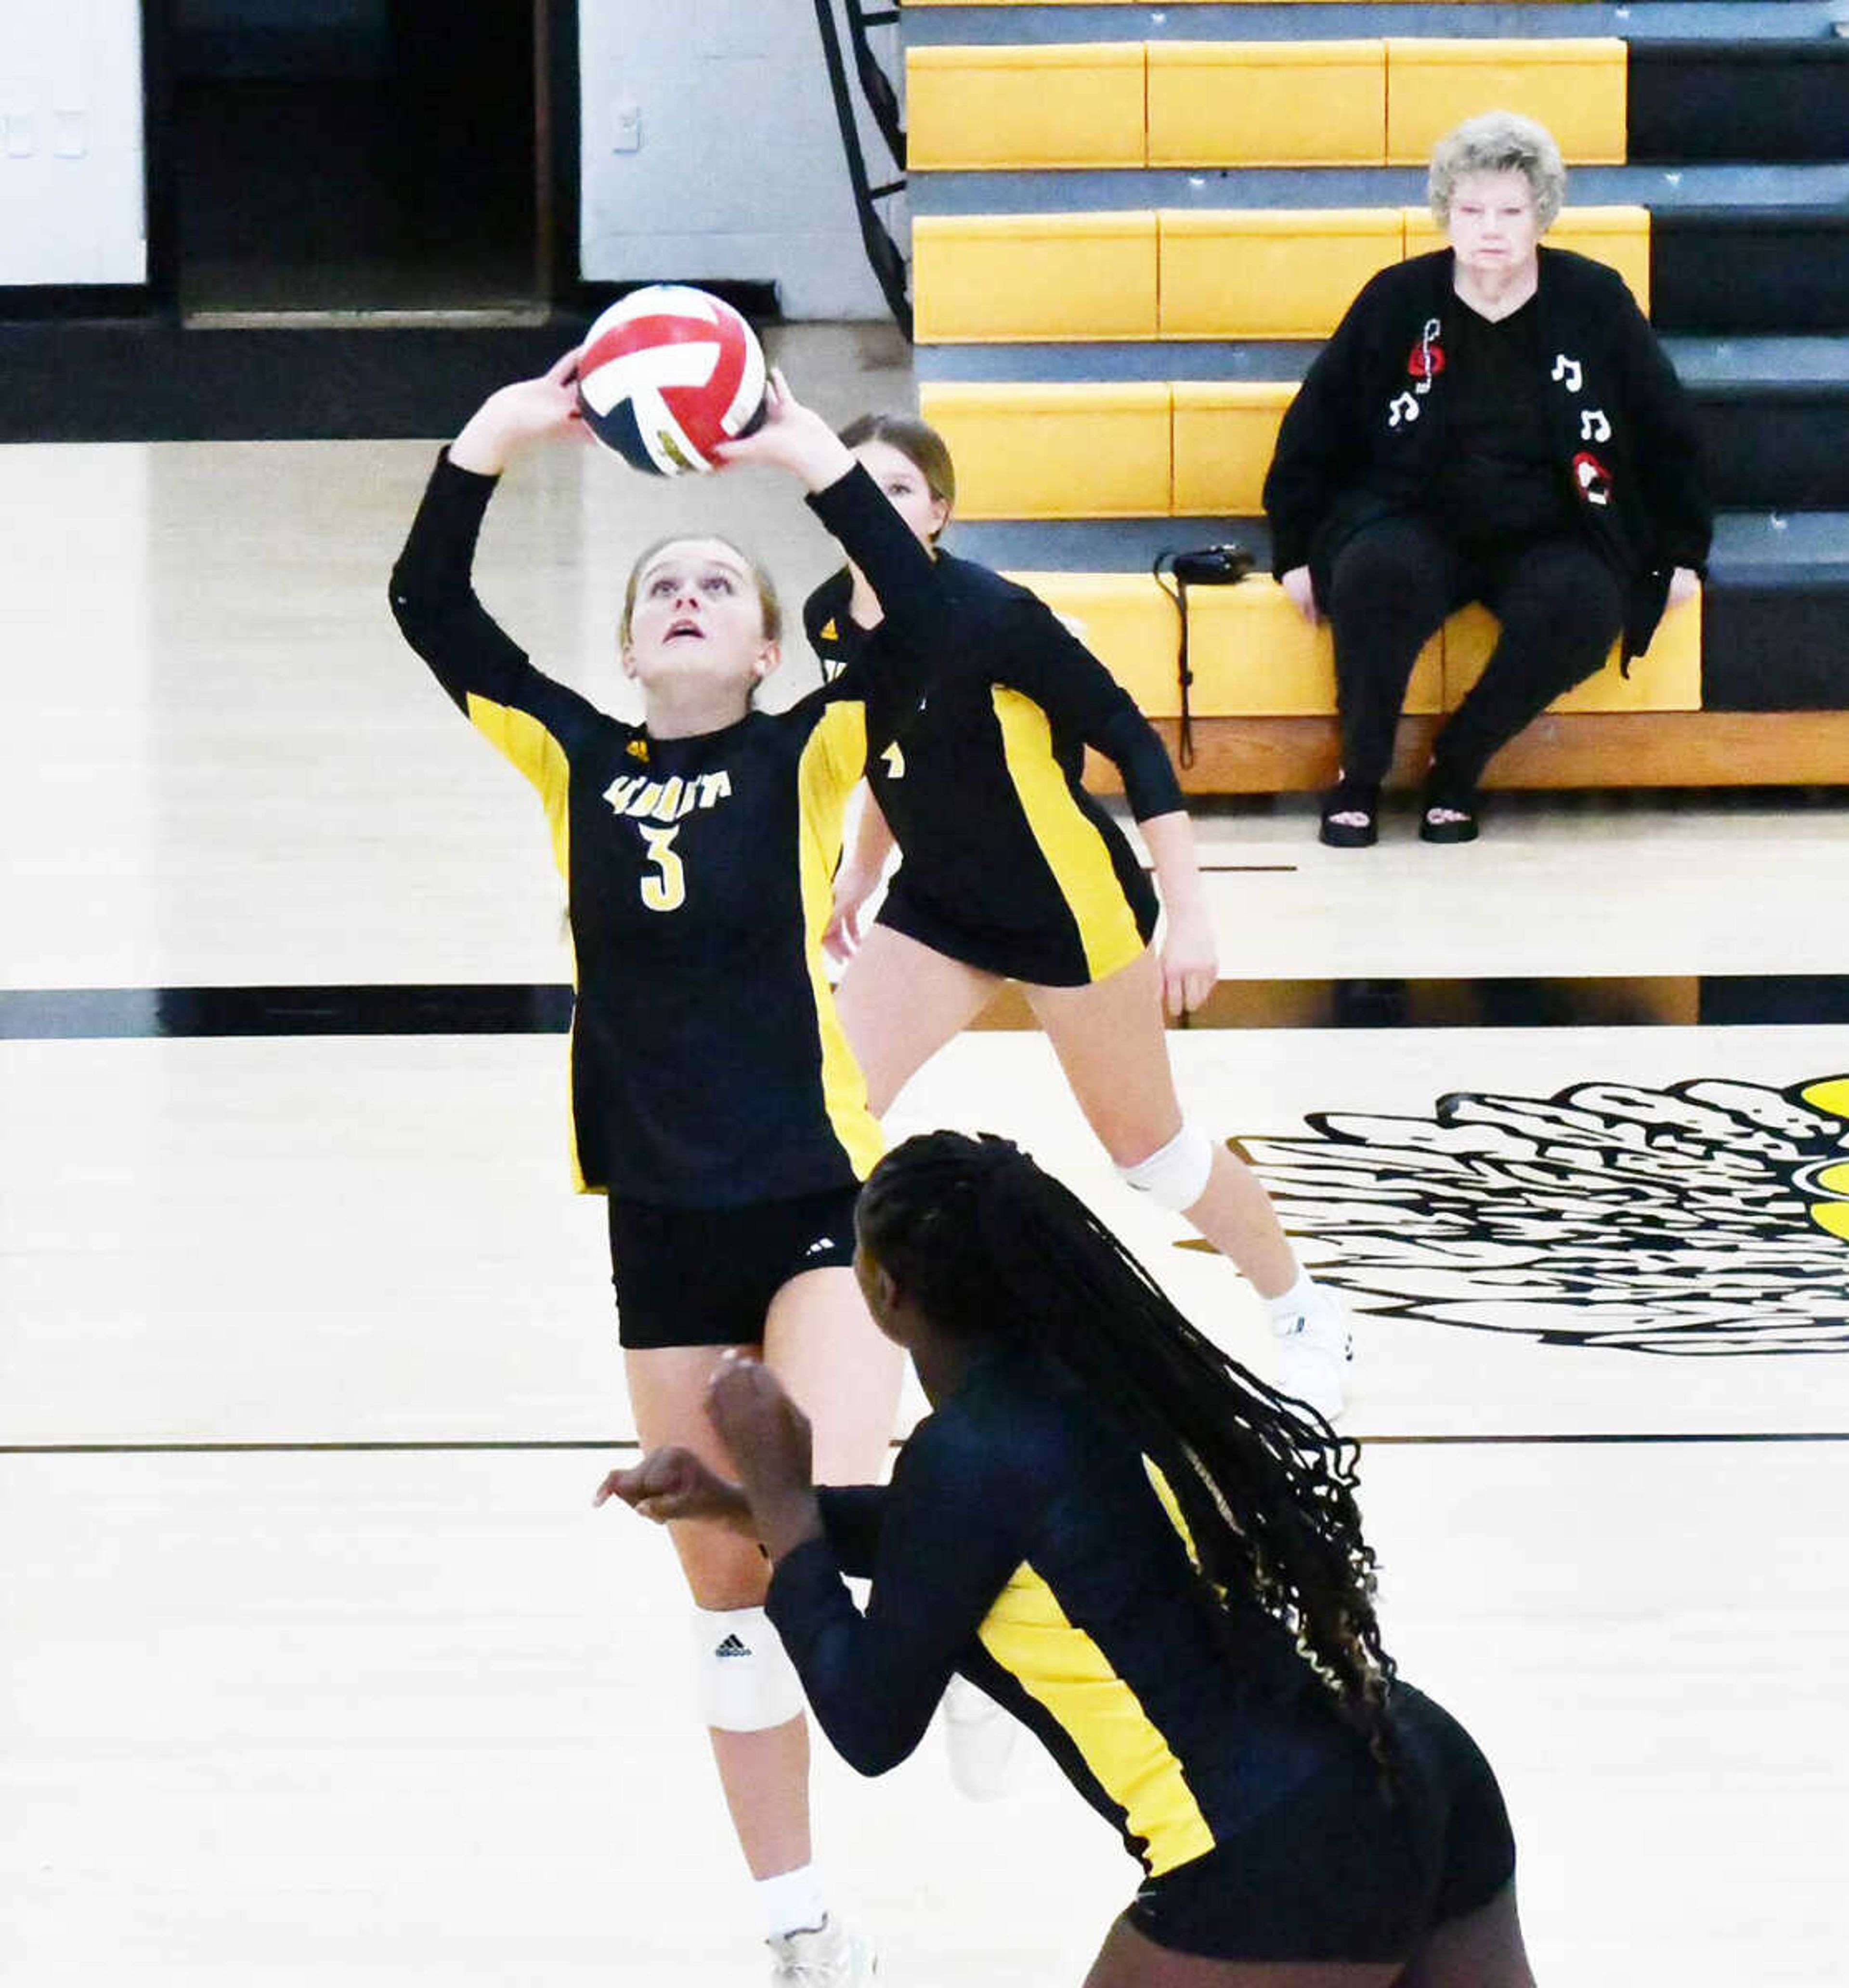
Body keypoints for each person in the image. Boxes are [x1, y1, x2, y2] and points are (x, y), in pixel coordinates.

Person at [387, 352, 966, 1986]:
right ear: (633, 643)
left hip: (811, 1203)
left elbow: (923, 620)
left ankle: (979, 1629)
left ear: (770, 646)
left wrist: (800, 454)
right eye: (666, 585)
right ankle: (796, 1922)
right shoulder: (575, 757)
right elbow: (433, 605)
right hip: (660, 1227)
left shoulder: (804, 758)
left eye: (724, 581)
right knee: (726, 1590)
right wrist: (489, 439)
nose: (695, 594)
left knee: (821, 1508)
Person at [599, 1131, 1536, 1988]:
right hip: (1422, 1766)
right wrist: (744, 1505)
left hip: (1268, 1848)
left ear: (885, 1294)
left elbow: (870, 1724)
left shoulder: (969, 1454)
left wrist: (786, 1502)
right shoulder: (1104, 1376)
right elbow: (942, 1537)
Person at [796, 412, 1352, 1421]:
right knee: (824, 1117)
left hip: (1067, 911)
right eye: (858, 485)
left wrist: (1191, 918)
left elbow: (1134, 744)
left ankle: (1305, 1309)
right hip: (939, 907)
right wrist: (858, 873)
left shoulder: (994, 617)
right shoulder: (832, 616)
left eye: (902, 491)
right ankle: (846, 1356)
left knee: (1156, 1155)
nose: (877, 508)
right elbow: (885, 751)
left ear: (940, 514)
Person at [1263, 109, 1711, 847]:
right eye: (1471, 211)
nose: (1491, 229)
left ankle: (1459, 760)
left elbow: (1670, 431)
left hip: (1554, 525)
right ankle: (1361, 772)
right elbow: (1316, 428)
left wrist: (1683, 552)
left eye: (1511, 210)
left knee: (1584, 605)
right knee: (1372, 574)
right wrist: (1296, 552)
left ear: (1543, 215)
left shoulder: (1594, 299)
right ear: (1447, 214)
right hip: (1416, 515)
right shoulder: (1396, 299)